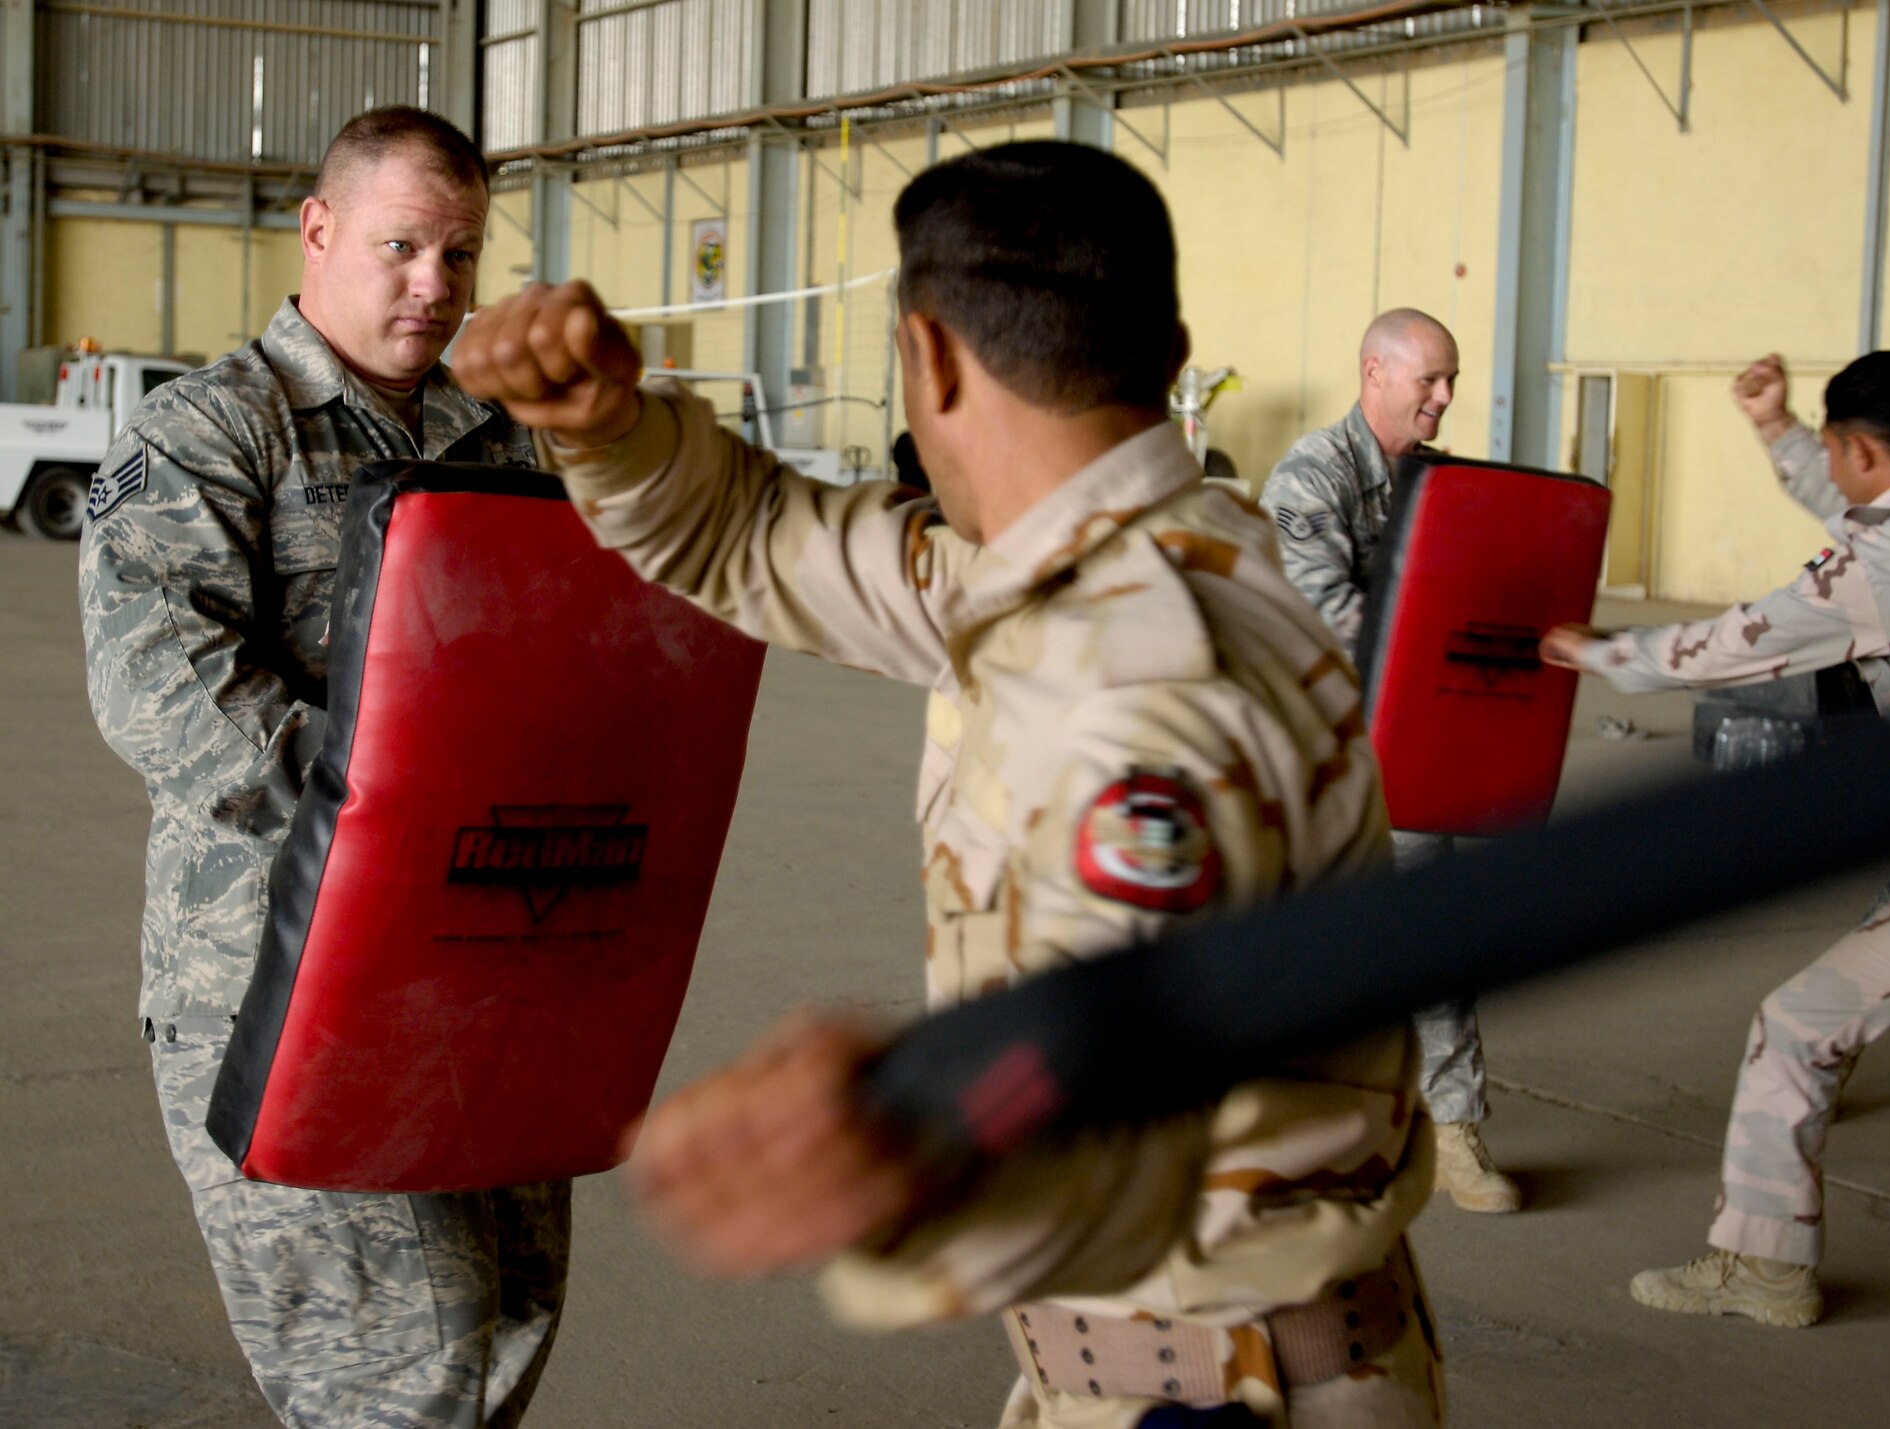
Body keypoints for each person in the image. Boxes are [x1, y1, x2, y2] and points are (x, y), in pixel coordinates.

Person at [455, 141, 1442, 1428]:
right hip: (1182, 1364)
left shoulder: (1131, 681)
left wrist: (901, 1125)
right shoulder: (1123, 564)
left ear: (924, 358)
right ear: (1170, 347)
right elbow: (760, 538)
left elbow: (1113, 1098)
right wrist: (606, 428)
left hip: (1218, 1394)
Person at [79, 108, 569, 1426]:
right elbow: (159, 683)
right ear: (320, 229)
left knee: (500, 1339)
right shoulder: (209, 433)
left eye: (461, 255)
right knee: (389, 1384)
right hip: (280, 987)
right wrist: (394, 812)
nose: (435, 284)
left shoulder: (497, 440)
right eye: (404, 245)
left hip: (475, 976)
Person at [1542, 349, 1890, 1327]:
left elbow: (1747, 637)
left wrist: (1600, 652)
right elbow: (1857, 524)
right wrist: (1774, 430)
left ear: (1858, 447)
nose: (1825, 469)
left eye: (1827, 451)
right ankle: (1763, 1265)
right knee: (1795, 1022)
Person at [1258, 309, 1521, 1215]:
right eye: (1430, 381)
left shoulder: (1438, 482)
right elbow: (1324, 615)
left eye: (1451, 380)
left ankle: (1452, 1134)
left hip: (1407, 750)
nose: (1446, 398)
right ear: (1375, 371)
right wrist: (1451, 632)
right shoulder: (1311, 476)